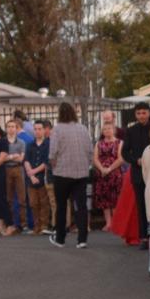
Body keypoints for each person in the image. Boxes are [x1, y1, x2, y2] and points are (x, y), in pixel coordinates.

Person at [49, 102, 94, 248]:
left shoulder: (57, 130)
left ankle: (60, 238)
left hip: (62, 172)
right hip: (81, 173)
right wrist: (86, 164)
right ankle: (82, 239)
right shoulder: (82, 128)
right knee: (81, 206)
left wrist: (54, 164)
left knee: (61, 206)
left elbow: (53, 152)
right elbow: (90, 150)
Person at [122, 102, 150, 249]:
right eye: (139, 113)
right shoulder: (130, 131)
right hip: (138, 173)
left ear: (149, 113)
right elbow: (124, 153)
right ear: (135, 115)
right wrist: (136, 160)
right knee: (141, 206)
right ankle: (144, 238)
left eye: (144, 113)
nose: (142, 116)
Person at [92, 123, 125, 230]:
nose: (107, 130)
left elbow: (121, 158)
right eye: (105, 129)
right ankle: (108, 223)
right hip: (102, 175)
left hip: (115, 174)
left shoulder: (119, 142)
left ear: (114, 130)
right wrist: (102, 169)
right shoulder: (98, 143)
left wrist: (110, 169)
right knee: (104, 200)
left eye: (109, 128)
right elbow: (95, 158)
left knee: (115, 199)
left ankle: (116, 223)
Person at [24, 120, 52, 236]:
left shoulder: (49, 144)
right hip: (31, 179)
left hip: (43, 177)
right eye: (35, 129)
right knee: (33, 203)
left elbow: (46, 162)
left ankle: (44, 225)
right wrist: (31, 175)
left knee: (44, 202)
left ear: (44, 130)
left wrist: (33, 173)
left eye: (39, 129)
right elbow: (26, 160)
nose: (37, 131)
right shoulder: (30, 144)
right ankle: (36, 226)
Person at [2, 120, 29, 231]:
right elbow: (2, 158)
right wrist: (13, 156)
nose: (11, 128)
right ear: (6, 128)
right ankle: (11, 224)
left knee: (22, 198)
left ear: (16, 128)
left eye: (13, 126)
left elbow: (21, 158)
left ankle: (23, 224)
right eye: (9, 126)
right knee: (9, 198)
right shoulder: (3, 142)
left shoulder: (22, 142)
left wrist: (9, 156)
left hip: (19, 169)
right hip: (6, 169)